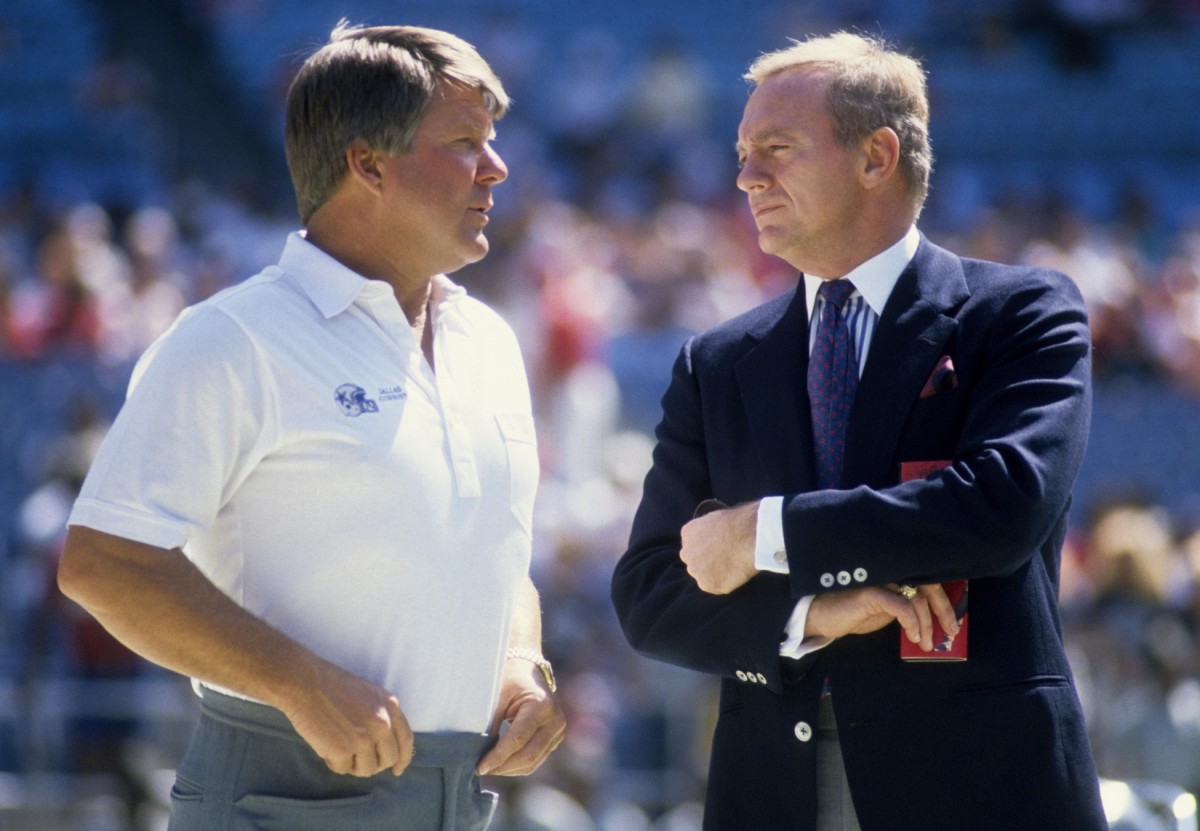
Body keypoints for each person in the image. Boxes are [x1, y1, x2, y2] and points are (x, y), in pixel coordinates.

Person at [57, 22, 564, 831]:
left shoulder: (492, 342)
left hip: (461, 797)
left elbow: (495, 554)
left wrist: (517, 660)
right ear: (367, 164)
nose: (498, 168)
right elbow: (104, 563)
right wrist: (299, 683)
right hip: (277, 789)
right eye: (467, 141)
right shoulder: (231, 338)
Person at [611, 32, 1106, 831]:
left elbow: (1003, 504)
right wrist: (811, 613)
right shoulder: (717, 361)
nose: (745, 177)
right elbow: (650, 592)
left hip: (981, 786)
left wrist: (761, 533)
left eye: (776, 149)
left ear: (877, 156)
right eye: (742, 152)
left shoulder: (1020, 312)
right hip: (777, 790)